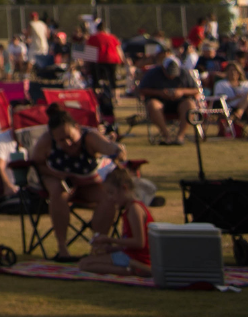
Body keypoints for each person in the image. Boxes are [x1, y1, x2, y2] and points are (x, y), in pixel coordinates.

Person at [29, 103, 127, 262]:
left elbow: (109, 147)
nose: (67, 143)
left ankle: (98, 245)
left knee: (108, 197)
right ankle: (62, 248)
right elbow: (36, 163)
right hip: (59, 179)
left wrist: (117, 150)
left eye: (70, 137)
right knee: (58, 191)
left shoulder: (90, 137)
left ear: (78, 128)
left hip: (88, 182)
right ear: (53, 137)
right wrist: (54, 173)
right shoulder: (46, 141)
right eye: (61, 140)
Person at [77, 167, 154, 276]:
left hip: (137, 258)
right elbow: (131, 243)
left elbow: (139, 243)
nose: (110, 198)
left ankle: (134, 269)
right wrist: (112, 248)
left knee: (85, 264)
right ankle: (132, 268)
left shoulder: (134, 209)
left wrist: (109, 239)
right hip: (132, 254)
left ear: (124, 188)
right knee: (86, 262)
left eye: (111, 193)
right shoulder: (130, 209)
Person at [139, 56, 199, 145]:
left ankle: (180, 137)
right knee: (153, 105)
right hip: (160, 102)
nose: (171, 76)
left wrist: (181, 92)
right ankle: (167, 136)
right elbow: (142, 89)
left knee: (190, 105)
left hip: (180, 102)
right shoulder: (153, 73)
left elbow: (195, 90)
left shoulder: (184, 73)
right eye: (169, 73)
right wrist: (160, 93)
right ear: (163, 68)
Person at [85, 24, 124, 93]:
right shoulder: (112, 37)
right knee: (113, 79)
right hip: (112, 60)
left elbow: (89, 51)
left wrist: (87, 63)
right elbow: (118, 49)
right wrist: (122, 60)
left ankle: (97, 96)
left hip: (99, 60)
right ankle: (116, 97)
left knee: (96, 80)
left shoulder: (93, 37)